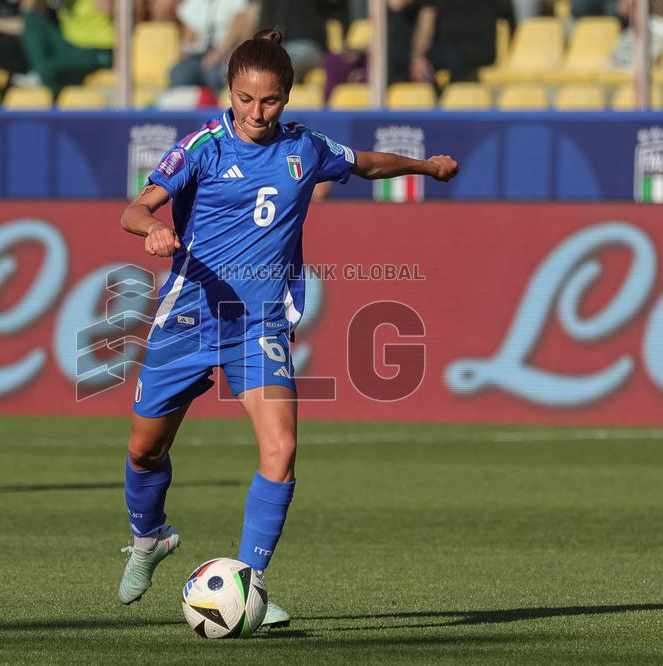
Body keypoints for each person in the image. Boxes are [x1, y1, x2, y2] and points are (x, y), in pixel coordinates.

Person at [116, 30, 458, 626]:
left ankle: (248, 583)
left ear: (287, 98)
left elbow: (367, 163)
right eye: (245, 99)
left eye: (269, 100)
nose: (255, 112)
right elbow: (135, 206)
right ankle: (150, 537)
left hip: (259, 325)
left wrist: (425, 167)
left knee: (282, 449)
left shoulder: (305, 149)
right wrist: (152, 227)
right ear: (229, 92)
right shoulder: (202, 148)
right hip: (189, 319)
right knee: (145, 450)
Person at [20, 0, 114, 99]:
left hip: (99, 48)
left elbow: (120, 15)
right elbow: (28, 8)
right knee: (31, 19)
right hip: (69, 45)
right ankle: (42, 75)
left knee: (49, 71)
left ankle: (44, 78)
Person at [169, 0, 251, 93]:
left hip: (225, 51)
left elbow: (239, 25)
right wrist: (186, 48)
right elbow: (188, 33)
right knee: (179, 73)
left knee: (214, 74)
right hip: (198, 53)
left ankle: (220, 104)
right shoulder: (192, 3)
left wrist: (219, 53)